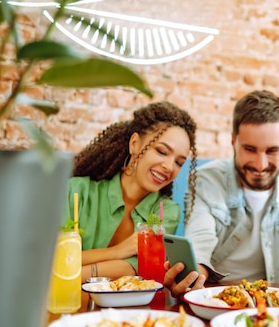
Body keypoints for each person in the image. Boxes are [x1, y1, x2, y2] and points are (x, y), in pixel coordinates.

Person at [163, 90, 279, 297]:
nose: (260, 165)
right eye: (250, 149)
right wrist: (194, 276)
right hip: (219, 299)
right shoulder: (205, 181)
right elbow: (200, 240)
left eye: (272, 151)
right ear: (233, 142)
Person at [62, 101, 199, 282]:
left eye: (179, 162)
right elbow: (51, 258)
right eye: (162, 151)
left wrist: (70, 271)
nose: (168, 166)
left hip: (132, 309)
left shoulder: (165, 212)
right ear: (134, 144)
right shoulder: (76, 191)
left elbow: (134, 269)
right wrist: (118, 251)